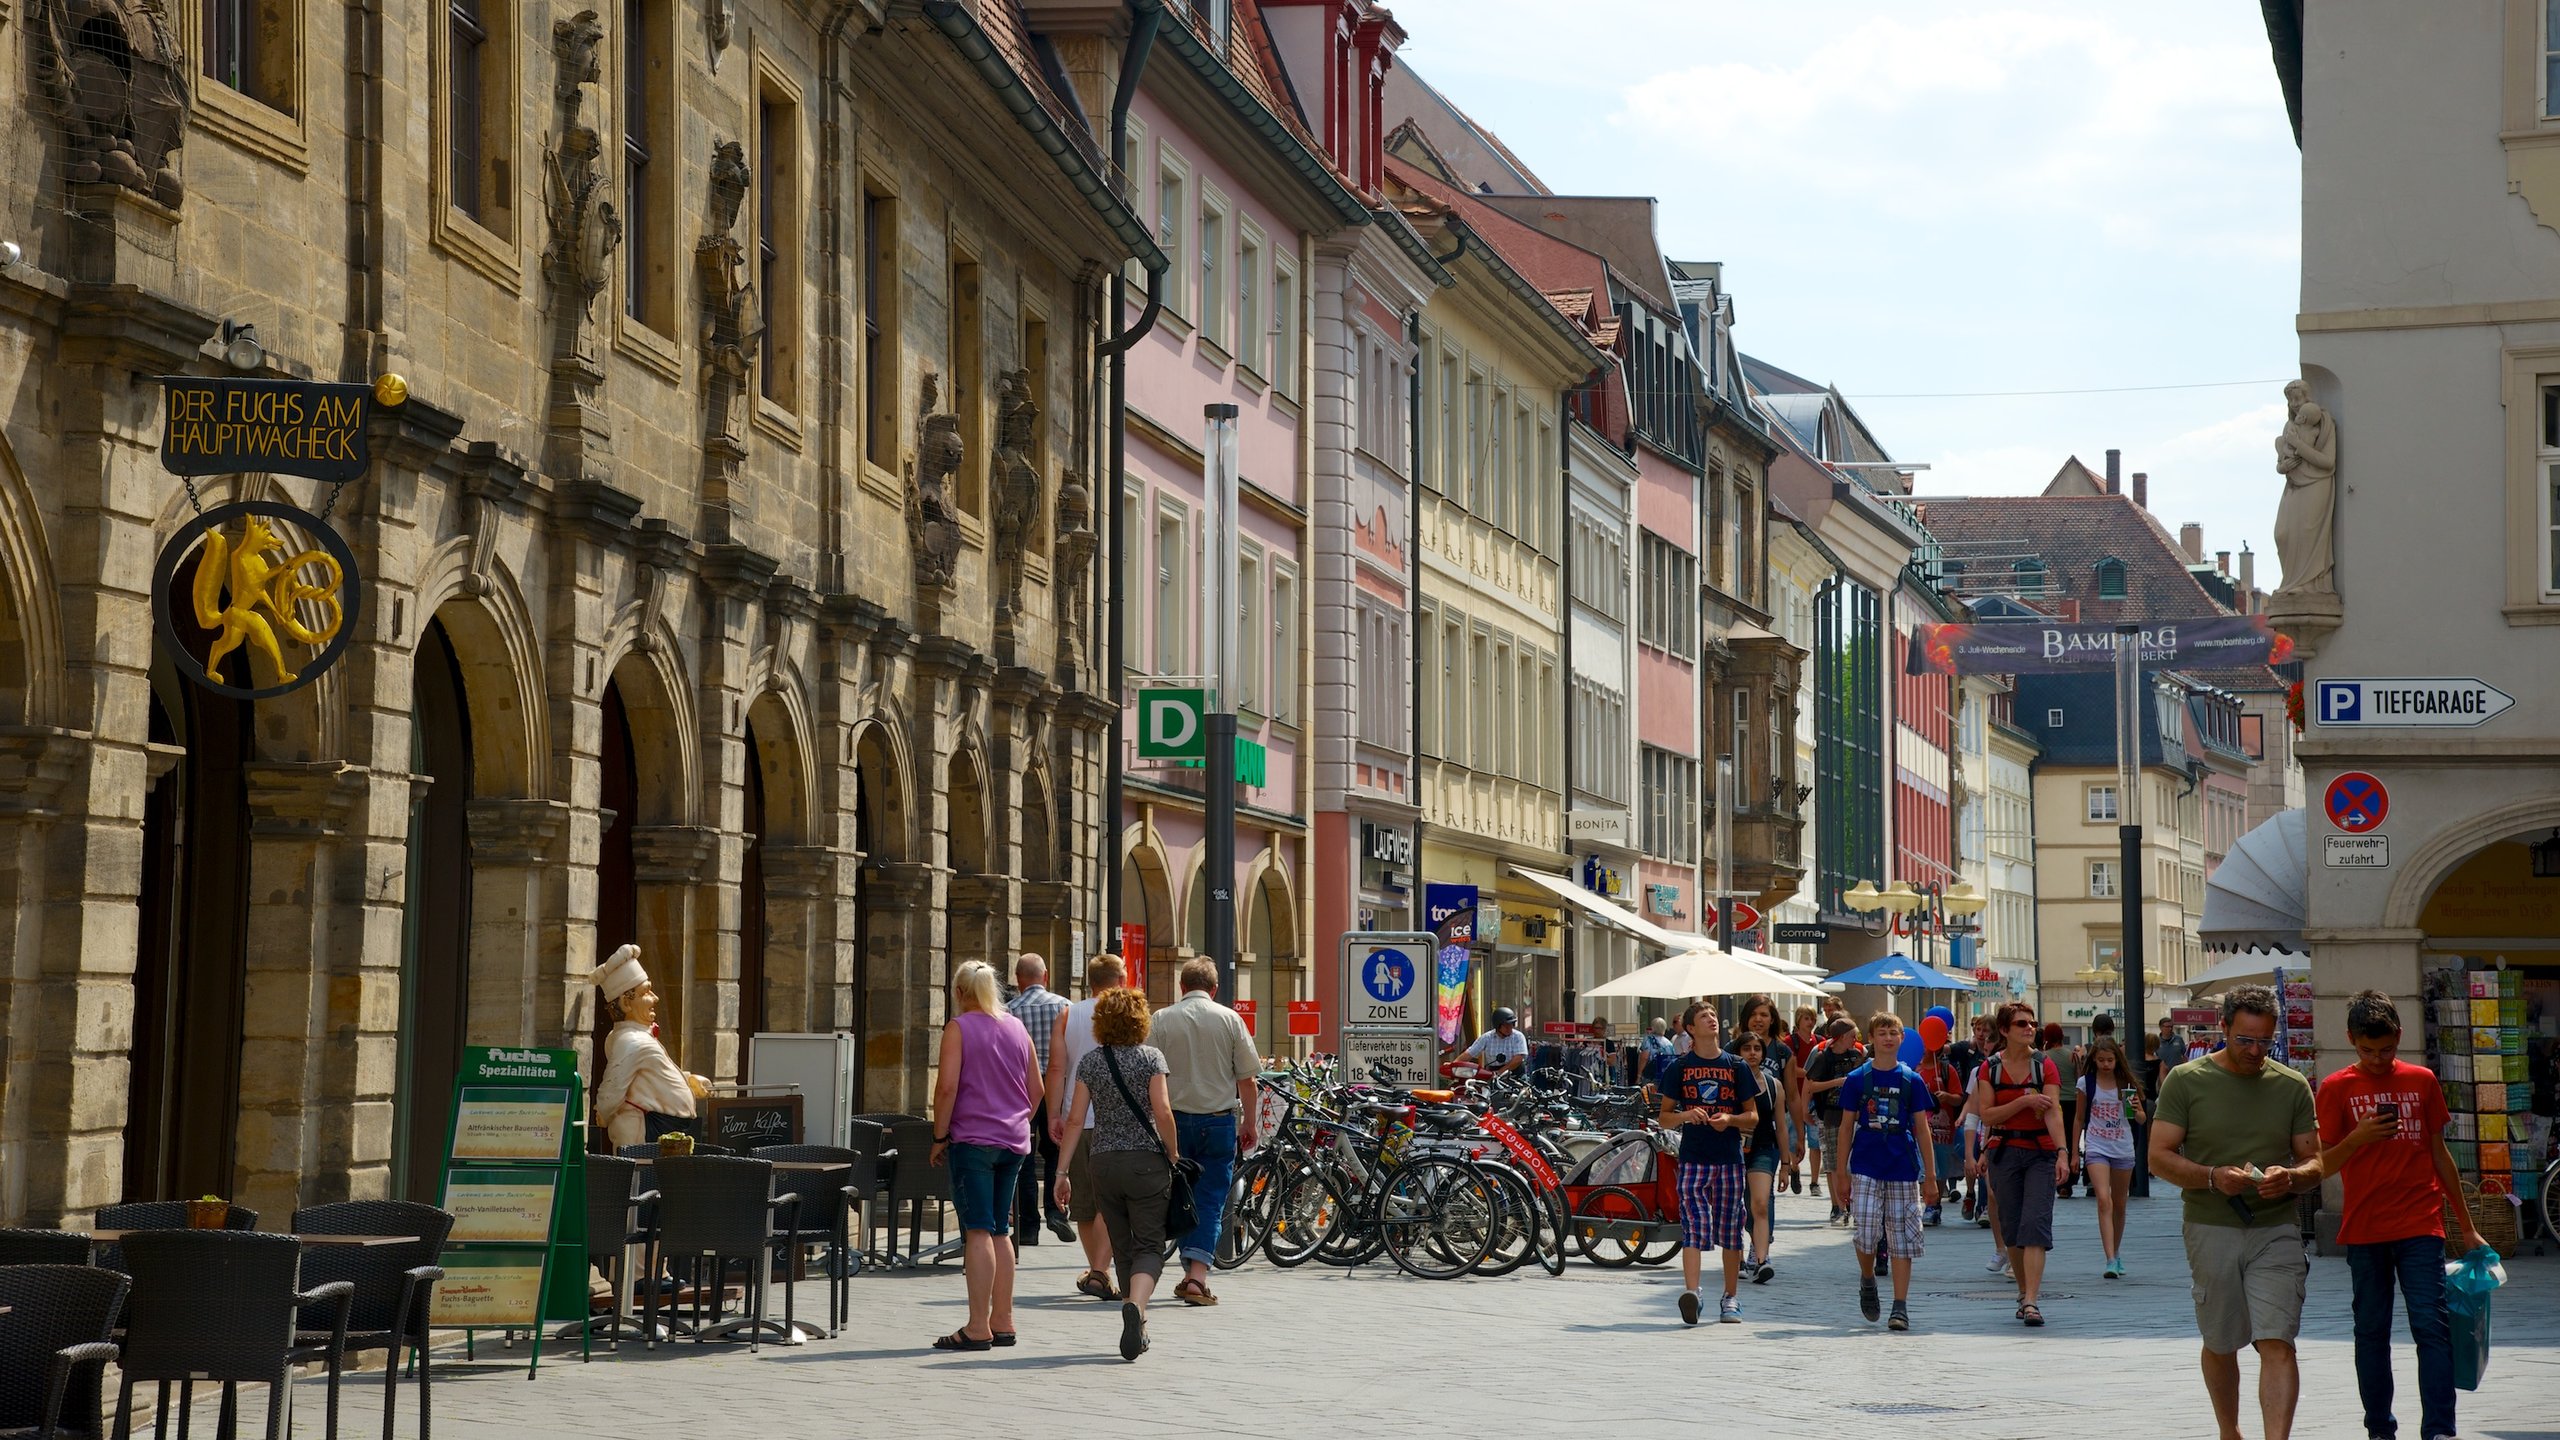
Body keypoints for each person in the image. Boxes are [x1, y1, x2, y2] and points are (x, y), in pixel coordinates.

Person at [2148, 984, 2322, 1440]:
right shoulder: (2186, 1080)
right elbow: (2159, 1156)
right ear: (2223, 1027)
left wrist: (2294, 1177)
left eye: (2265, 1041)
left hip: (2276, 1228)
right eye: (2245, 1039)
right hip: (2212, 1226)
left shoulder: (2291, 1086)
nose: (2255, 1051)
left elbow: (2315, 1161)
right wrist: (2212, 1177)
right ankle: (2230, 1431)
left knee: (2277, 1341)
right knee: (2221, 1342)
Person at [2317, 990, 2484, 1440]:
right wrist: (2359, 1138)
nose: (2377, 1058)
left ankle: (2439, 1429)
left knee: (2432, 1327)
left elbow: (2439, 1153)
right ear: (2352, 1039)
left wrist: (2467, 1227)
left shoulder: (2422, 1080)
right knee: (2371, 1333)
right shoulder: (2335, 1088)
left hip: (2419, 1223)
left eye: (2386, 1049)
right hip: (2365, 1226)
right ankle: (2379, 1429)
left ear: (2399, 1038)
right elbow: (2323, 1163)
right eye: (2367, 1050)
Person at [1054, 986, 1182, 1362]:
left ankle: (1135, 1322)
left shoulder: (1092, 1061)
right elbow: (1163, 1111)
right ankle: (1137, 1307)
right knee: (1149, 1245)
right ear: (1140, 1020)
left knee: (1122, 1246)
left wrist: (1062, 1171)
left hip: (1103, 1164)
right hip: (1145, 1162)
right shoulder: (1151, 1058)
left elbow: (1075, 1118)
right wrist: (1173, 1152)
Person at [927, 959, 1042, 1351]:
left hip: (973, 1141)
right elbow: (1037, 1089)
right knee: (1000, 1230)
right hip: (1013, 1142)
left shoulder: (959, 1028)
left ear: (960, 993)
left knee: (976, 1230)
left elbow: (946, 1089)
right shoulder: (1016, 1027)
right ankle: (1003, 1320)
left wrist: (939, 1136)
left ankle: (978, 1326)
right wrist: (1017, 1118)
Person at [1149, 957, 1262, 1307]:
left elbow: (1149, 1073)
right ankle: (1196, 1276)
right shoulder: (1230, 1019)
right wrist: (1249, 1123)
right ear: (1214, 989)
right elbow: (1248, 1080)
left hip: (1175, 1121)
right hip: (1217, 1121)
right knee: (1211, 1198)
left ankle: (1180, 1272)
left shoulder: (1162, 1019)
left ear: (1182, 986)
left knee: (1178, 1194)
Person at [1834, 1013, 1939, 1332]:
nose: (1889, 1038)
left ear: (1902, 1038)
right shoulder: (1857, 1079)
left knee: (1902, 1237)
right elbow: (1845, 1126)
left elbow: (1922, 1130)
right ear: (1871, 1038)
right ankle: (1867, 1279)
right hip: (1865, 1163)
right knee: (1865, 1233)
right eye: (1882, 1032)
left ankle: (1900, 1306)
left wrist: (1931, 1177)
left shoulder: (1912, 1080)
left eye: (1894, 1032)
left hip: (1903, 1166)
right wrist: (1841, 1172)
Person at [1657, 1002, 1759, 1325]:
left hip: (1729, 1159)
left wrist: (1729, 1119)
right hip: (1693, 1158)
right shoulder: (1680, 1067)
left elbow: (1753, 1117)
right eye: (1704, 1017)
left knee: (1730, 1230)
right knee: (1693, 1226)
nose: (1712, 1020)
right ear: (1690, 1028)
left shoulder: (1736, 1066)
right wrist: (1687, 1115)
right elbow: (1664, 1118)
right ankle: (1693, 1293)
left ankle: (1731, 1298)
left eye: (1714, 1015)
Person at [1972, 1001, 2067, 1326]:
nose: (2030, 1028)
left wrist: (2063, 1152)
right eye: (2022, 1024)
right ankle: (2024, 1294)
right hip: (2004, 1150)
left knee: (2035, 1226)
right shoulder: (1990, 1068)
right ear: (2004, 1030)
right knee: (2012, 1228)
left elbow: (2053, 1110)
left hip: (2040, 1152)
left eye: (2032, 1023)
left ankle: (2031, 1300)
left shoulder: (2045, 1066)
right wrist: (2025, 1100)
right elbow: (1987, 1114)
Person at [1048, 952, 1127, 1301]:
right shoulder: (1129, 1013)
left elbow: (1056, 1068)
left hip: (1077, 1118)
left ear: (1090, 981)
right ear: (1120, 980)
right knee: (1111, 1202)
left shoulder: (1068, 1015)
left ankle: (1097, 1269)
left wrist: (1054, 1114)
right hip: (1117, 1120)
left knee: (1084, 1202)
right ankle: (1100, 1269)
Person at [591, 945, 709, 1147]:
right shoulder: (630, 1041)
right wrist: (603, 1110)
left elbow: (649, 1078)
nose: (655, 998)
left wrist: (687, 1079)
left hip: (669, 1126)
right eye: (646, 992)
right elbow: (613, 1086)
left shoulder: (636, 1036)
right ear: (626, 1004)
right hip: (656, 1126)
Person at [1006, 952, 1073, 1245]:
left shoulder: (1008, 1011)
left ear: (1018, 980)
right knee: (1055, 1149)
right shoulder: (1066, 1007)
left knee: (1024, 1156)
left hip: (1021, 1089)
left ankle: (1028, 1225)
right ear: (1045, 977)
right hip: (1058, 1087)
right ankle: (1055, 1211)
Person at [2078, 1035, 2145, 1277]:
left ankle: (2116, 1253)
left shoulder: (2126, 1083)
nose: (2106, 1064)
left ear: (2117, 1060)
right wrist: (2073, 1150)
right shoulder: (2087, 1083)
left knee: (2120, 1203)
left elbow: (2140, 1120)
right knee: (2103, 1200)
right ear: (2094, 1060)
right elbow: (2078, 1118)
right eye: (2101, 1060)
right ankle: (2109, 1259)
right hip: (2097, 1145)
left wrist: (2138, 1110)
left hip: (2122, 1146)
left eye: (2110, 1060)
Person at [1732, 1029, 1790, 1284]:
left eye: (1757, 1049)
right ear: (1738, 1053)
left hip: (1764, 1149)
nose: (1752, 1053)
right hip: (1732, 1149)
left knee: (1760, 1204)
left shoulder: (1773, 1085)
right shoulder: (1729, 1081)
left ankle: (1762, 1260)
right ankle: (1737, 1257)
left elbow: (1781, 1126)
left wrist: (1787, 1164)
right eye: (1746, 1049)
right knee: (1734, 1207)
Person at [1801, 1018, 1866, 1222]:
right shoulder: (1823, 1058)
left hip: (1853, 1115)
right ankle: (1837, 1205)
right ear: (1840, 1038)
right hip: (1829, 1115)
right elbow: (1811, 1086)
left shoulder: (1856, 1055)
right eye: (1851, 1036)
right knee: (1832, 1163)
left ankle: (1852, 1205)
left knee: (1851, 1163)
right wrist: (1838, 1082)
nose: (1855, 1040)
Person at [1917, 1024, 1966, 1227]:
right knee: (1923, 1168)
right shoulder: (1913, 1069)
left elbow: (1959, 1097)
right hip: (1919, 1130)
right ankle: (1928, 1204)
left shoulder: (1947, 1070)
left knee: (1940, 1170)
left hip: (1943, 1131)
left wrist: (1946, 1096)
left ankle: (1935, 1205)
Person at [1779, 1006, 1823, 1195]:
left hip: (1814, 1099)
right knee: (1792, 1141)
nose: (1810, 1022)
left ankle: (1814, 1182)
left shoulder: (1820, 1042)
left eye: (1812, 1018)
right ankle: (1795, 1169)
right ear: (1798, 1020)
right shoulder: (1790, 1042)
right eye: (1806, 1018)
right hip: (1794, 1097)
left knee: (1815, 1143)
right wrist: (1810, 1074)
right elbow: (1789, 1068)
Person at [2042, 1023, 2082, 1198]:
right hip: (2072, 1101)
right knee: (2072, 1141)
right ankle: (2071, 1179)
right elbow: (2079, 1078)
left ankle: (2059, 1181)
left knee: (2057, 1141)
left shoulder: (2043, 1057)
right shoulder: (2072, 1056)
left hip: (2053, 1102)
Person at [1462, 1007, 1529, 1077]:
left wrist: (1499, 1072)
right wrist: (1453, 1065)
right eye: (1506, 1025)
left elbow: (1518, 1059)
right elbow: (1469, 1053)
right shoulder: (1487, 1038)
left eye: (1511, 1024)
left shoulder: (1518, 1036)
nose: (1509, 1027)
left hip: (1515, 1075)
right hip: (1493, 1075)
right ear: (1497, 1025)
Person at [1641, 1017, 1678, 1082]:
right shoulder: (1669, 1043)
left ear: (1653, 1027)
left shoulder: (1648, 1040)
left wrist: (1639, 1074)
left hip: (1650, 1076)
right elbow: (1673, 1059)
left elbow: (1644, 1057)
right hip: (1665, 1076)